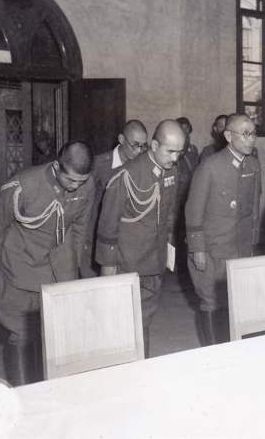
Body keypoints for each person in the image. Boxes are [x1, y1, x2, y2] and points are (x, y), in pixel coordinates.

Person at [0, 141, 95, 385]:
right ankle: (24, 395)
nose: (75, 186)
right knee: (21, 334)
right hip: (21, 267)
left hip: (59, 271)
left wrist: (76, 268)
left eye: (81, 181)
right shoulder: (23, 186)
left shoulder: (87, 186)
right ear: (56, 166)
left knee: (55, 336)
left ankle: (46, 392)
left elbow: (80, 229)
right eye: (71, 180)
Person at [96, 119, 186, 357]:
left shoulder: (171, 171)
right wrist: (108, 267)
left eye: (179, 152)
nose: (175, 158)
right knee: (123, 323)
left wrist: (167, 253)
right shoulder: (126, 176)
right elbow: (108, 225)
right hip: (128, 262)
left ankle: (140, 365)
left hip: (154, 260)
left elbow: (168, 214)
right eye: (170, 151)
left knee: (144, 319)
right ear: (154, 145)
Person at [185, 113, 261, 345]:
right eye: (245, 134)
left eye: (253, 133)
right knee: (210, 301)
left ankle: (230, 348)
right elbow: (193, 211)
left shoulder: (253, 165)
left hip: (239, 247)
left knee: (235, 300)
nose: (251, 139)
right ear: (228, 136)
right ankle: (211, 352)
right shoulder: (210, 166)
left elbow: (253, 207)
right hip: (213, 249)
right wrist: (197, 249)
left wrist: (251, 243)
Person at [80, 120, 148, 277]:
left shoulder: (142, 166)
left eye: (143, 146)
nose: (139, 151)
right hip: (96, 241)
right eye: (135, 145)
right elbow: (82, 205)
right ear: (121, 139)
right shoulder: (99, 165)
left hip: (127, 243)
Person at [175, 117, 200, 274]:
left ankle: (185, 263)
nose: (185, 133)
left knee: (187, 229)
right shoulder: (173, 148)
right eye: (181, 130)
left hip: (189, 194)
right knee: (175, 229)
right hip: (176, 195)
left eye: (187, 130)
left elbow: (196, 170)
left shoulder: (193, 150)